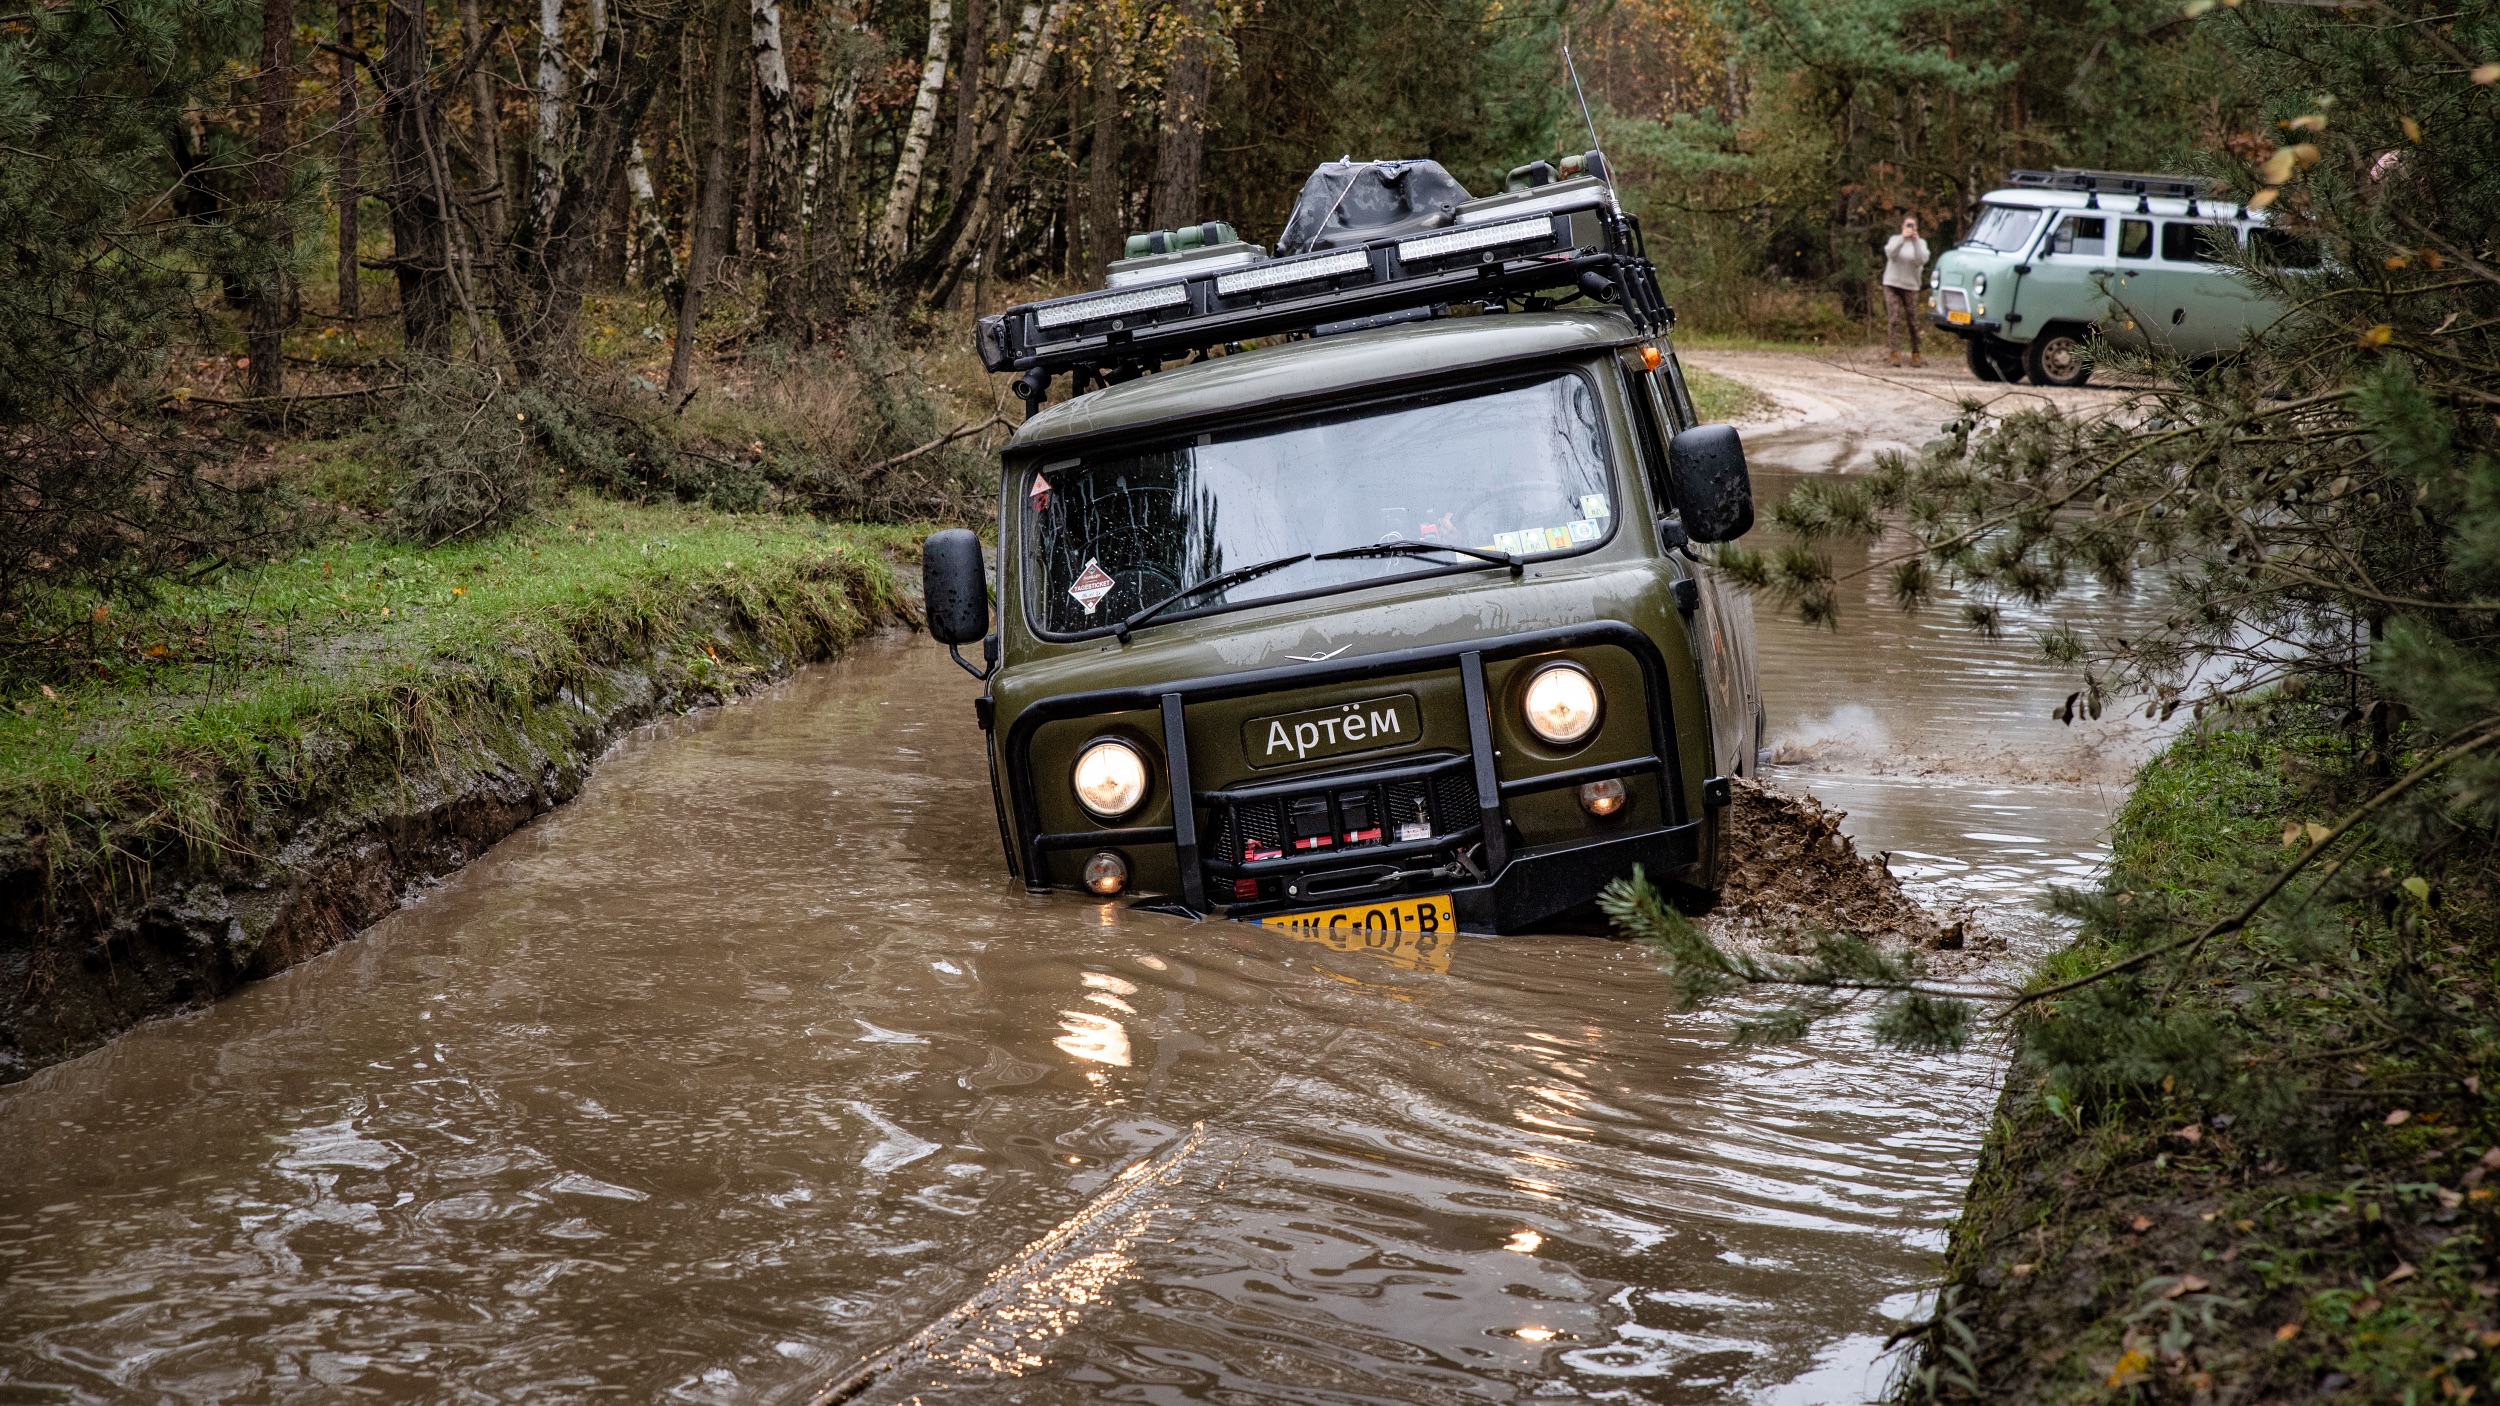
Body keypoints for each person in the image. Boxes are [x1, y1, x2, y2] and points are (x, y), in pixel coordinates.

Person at [1882, 216, 1931, 367]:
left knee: (1912, 320)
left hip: (1911, 286)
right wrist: (1903, 238)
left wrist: (1915, 241)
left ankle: (1916, 353)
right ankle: (1895, 353)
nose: (1910, 228)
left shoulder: (1921, 243)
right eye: (1908, 225)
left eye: (1913, 225)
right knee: (1894, 318)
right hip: (1892, 283)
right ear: (1902, 226)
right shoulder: (1895, 240)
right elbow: (1891, 254)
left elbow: (1920, 261)